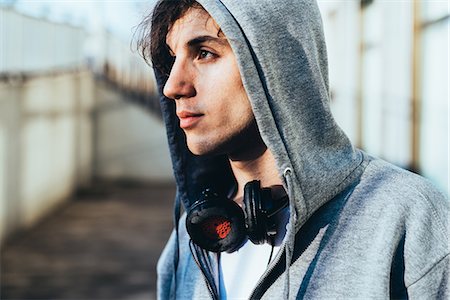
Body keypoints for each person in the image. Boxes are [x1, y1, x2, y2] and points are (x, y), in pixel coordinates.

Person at [137, 0, 449, 299]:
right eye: (172, 58)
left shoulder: (407, 216)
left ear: (276, 61)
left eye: (204, 53)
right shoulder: (190, 240)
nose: (172, 86)